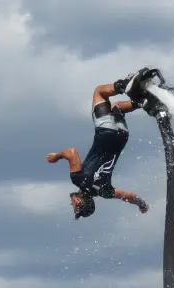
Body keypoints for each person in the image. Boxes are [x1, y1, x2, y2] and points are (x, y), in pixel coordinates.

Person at [46, 69, 155, 220]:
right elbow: (71, 152)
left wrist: (141, 204)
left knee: (117, 108)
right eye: (73, 206)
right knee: (99, 92)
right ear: (78, 201)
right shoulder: (78, 179)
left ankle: (143, 103)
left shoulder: (105, 192)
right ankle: (124, 85)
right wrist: (57, 156)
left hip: (122, 136)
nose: (71, 204)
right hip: (105, 131)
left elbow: (128, 196)